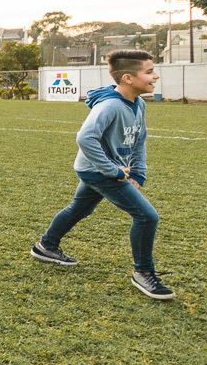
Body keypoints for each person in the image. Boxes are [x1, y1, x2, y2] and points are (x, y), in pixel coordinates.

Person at [31, 49, 174, 300]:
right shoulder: (110, 106)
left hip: (102, 170)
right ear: (128, 78)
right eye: (149, 72)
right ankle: (143, 273)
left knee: (80, 208)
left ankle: (47, 246)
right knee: (147, 217)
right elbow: (85, 137)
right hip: (99, 172)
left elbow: (139, 139)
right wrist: (113, 170)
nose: (156, 76)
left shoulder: (138, 103)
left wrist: (138, 172)